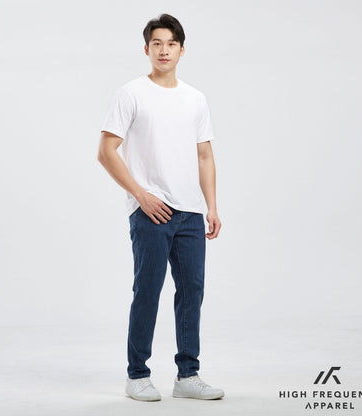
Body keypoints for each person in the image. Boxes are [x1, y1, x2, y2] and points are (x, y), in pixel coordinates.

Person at [97, 13, 224, 401]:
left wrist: (211, 207)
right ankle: (137, 375)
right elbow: (106, 151)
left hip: (190, 212)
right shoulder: (131, 94)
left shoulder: (195, 98)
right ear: (146, 49)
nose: (164, 50)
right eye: (157, 43)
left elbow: (204, 155)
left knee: (192, 292)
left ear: (182, 50)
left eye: (171, 44)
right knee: (148, 290)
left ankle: (188, 375)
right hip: (151, 210)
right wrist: (140, 195)